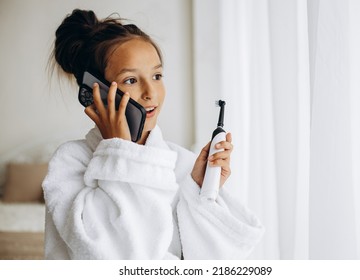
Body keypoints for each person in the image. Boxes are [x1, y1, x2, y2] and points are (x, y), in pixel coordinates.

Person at [43, 9, 264, 260]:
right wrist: (120, 150)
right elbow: (105, 255)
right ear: (97, 92)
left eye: (157, 76)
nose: (151, 92)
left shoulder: (180, 162)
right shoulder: (70, 161)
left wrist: (200, 193)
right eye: (130, 80)